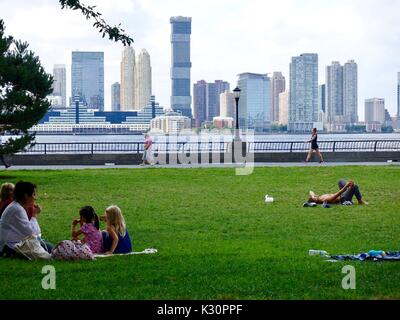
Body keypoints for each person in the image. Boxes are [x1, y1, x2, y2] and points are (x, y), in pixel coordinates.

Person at [0, 181, 51, 257]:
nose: (35, 198)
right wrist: (34, 215)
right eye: (34, 194)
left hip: (11, 244)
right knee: (53, 249)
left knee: (49, 246)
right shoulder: (17, 209)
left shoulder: (16, 206)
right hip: (10, 247)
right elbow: (33, 233)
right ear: (26, 195)